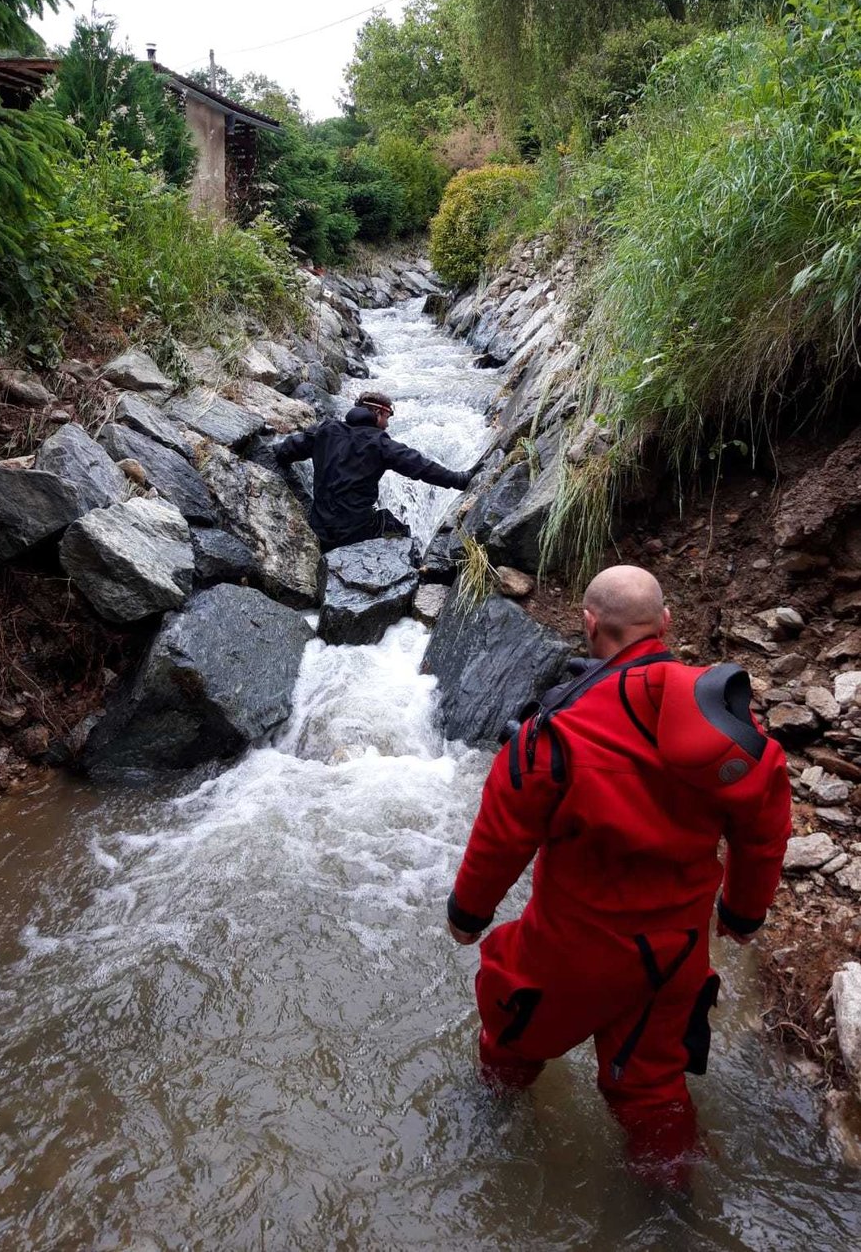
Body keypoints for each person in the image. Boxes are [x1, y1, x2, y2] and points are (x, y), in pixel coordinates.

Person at [446, 565, 791, 1185]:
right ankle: (673, 1207)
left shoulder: (556, 733)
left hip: (569, 951)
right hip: (673, 955)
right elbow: (763, 828)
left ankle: (490, 1128)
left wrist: (467, 916)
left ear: (588, 624)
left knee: (512, 1039)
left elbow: (502, 835)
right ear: (665, 624)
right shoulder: (730, 731)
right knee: (654, 1089)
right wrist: (742, 914)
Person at [274, 390, 473, 553]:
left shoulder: (324, 430)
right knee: (399, 534)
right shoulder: (379, 443)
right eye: (387, 417)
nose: (387, 424)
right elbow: (421, 467)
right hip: (356, 533)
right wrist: (459, 479)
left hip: (319, 530)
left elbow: (286, 450)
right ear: (376, 413)